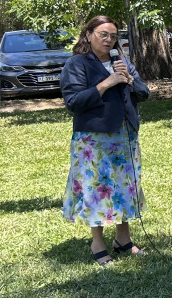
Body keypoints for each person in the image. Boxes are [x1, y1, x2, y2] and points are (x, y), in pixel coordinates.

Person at [60, 15, 151, 267]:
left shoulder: (122, 62)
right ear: (88, 35)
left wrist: (129, 79)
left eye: (113, 36)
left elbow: (144, 93)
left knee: (125, 186)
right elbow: (74, 102)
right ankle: (97, 243)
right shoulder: (77, 64)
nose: (109, 39)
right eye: (103, 34)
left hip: (125, 135)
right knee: (97, 188)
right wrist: (107, 83)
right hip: (94, 140)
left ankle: (123, 239)